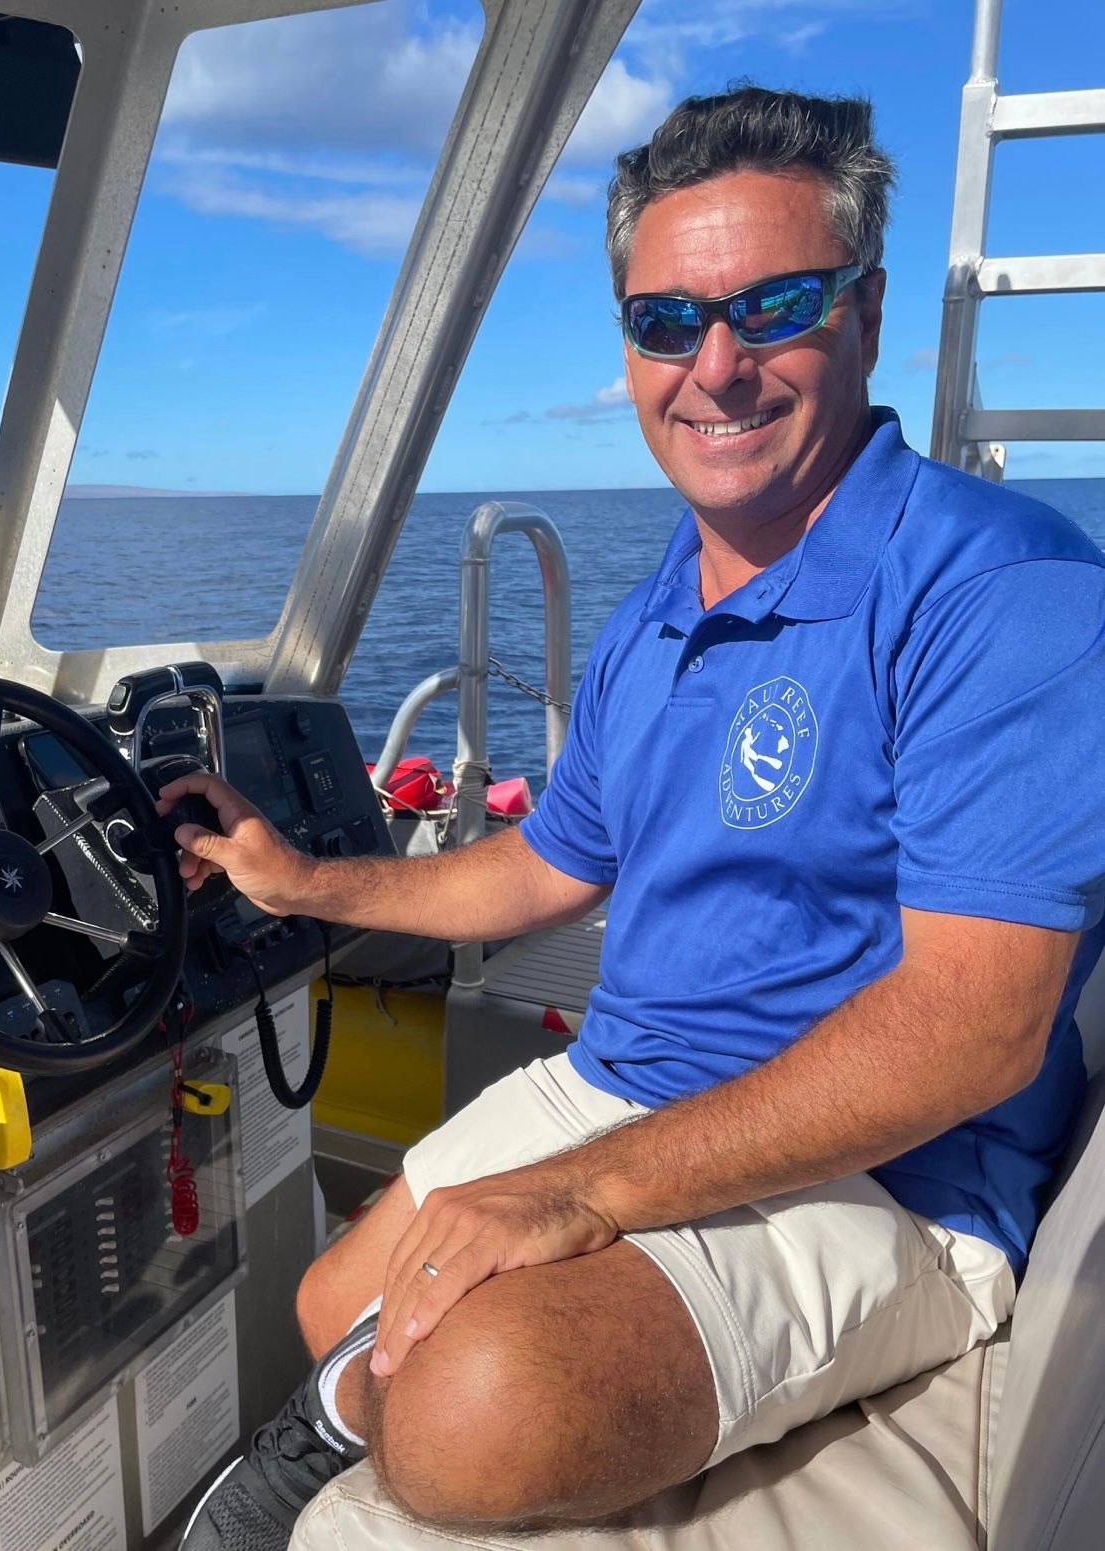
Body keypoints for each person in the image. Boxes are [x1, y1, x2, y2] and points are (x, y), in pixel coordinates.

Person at [161, 86, 1105, 1549]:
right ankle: (335, 1438)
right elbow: (546, 865)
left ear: (863, 312)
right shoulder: (664, 603)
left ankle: (333, 1463)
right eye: (667, 322)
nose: (714, 367)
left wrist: (576, 1196)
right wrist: (305, 884)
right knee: (328, 1300)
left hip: (893, 1172)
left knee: (466, 1408)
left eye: (772, 307)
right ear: (628, 344)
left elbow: (972, 1031)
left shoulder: (998, 590)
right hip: (635, 1079)